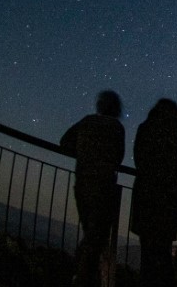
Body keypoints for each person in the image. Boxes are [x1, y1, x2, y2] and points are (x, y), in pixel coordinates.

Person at [60, 90, 126, 287]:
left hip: (82, 183)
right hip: (104, 188)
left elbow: (65, 142)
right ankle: (81, 276)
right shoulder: (117, 128)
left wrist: (83, 154)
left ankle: (81, 275)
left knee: (91, 234)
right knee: (96, 237)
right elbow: (118, 157)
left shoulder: (87, 121)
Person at [130, 98, 177, 287]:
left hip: (146, 198)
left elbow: (138, 159)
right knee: (162, 256)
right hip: (168, 204)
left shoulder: (146, 129)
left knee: (148, 255)